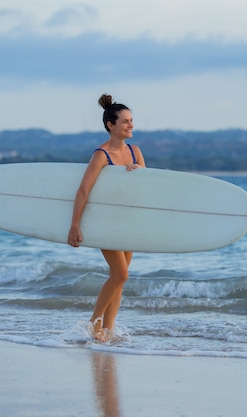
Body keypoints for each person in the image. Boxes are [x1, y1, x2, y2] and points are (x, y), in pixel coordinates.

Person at [67, 94, 145, 341]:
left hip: (129, 221)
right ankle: (94, 324)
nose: (130, 125)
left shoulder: (135, 151)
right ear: (111, 125)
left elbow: (147, 187)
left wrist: (140, 172)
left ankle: (108, 330)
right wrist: (75, 225)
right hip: (106, 221)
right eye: (125, 121)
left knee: (118, 279)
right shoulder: (101, 155)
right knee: (121, 275)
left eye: (131, 121)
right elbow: (83, 190)